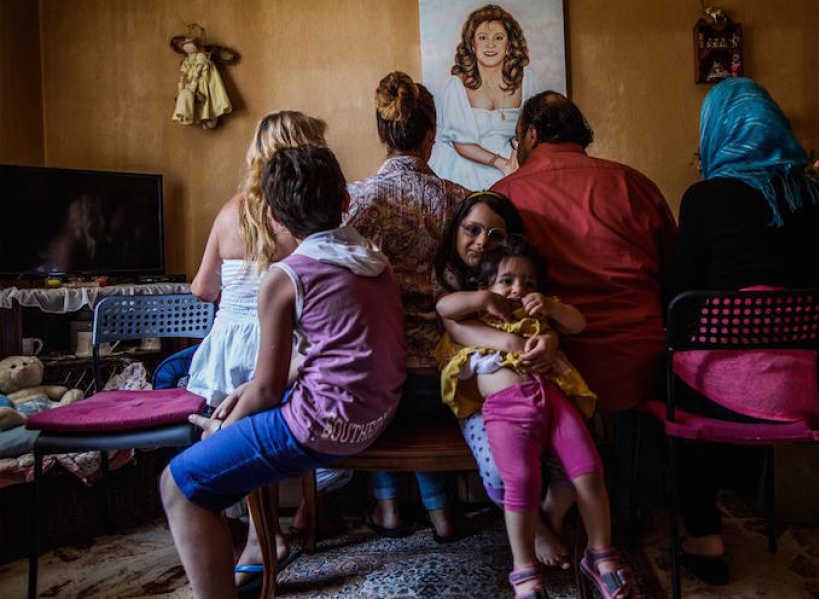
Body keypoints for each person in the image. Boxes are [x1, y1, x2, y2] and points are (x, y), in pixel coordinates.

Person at [160, 144, 406, 599]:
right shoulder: (375, 260)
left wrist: (220, 429)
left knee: (179, 484)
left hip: (323, 427)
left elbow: (267, 390)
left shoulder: (286, 276)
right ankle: (259, 544)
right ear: (345, 201)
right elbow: (333, 354)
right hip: (375, 416)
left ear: (273, 216)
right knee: (242, 402)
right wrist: (248, 394)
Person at [673, 77, 819, 585]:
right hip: (805, 389)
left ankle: (703, 532)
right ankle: (748, 486)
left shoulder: (704, 198)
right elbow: (812, 284)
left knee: (672, 360)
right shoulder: (814, 199)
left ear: (718, 131)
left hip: (720, 392)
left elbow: (680, 297)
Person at [494, 91, 677, 534]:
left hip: (556, 360)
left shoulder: (505, 195)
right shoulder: (634, 183)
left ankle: (552, 501)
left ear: (531, 134)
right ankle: (632, 500)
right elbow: (673, 270)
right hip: (639, 357)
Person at [186, 110, 344, 590]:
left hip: (229, 348)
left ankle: (260, 532)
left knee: (239, 430)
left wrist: (234, 293)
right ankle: (267, 533)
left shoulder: (228, 212)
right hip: (280, 344)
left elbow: (200, 288)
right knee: (271, 422)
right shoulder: (299, 216)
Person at [436, 234, 636, 598]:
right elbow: (445, 308)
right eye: (507, 281)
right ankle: (524, 571)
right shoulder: (477, 316)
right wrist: (484, 298)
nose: (518, 290)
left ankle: (601, 556)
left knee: (590, 469)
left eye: (528, 282)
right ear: (485, 285)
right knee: (521, 481)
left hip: (552, 399)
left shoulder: (538, 315)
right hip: (506, 408)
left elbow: (577, 323)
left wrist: (549, 306)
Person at [343, 71, 468, 541]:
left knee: (382, 383)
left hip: (380, 376)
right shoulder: (459, 203)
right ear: (431, 134)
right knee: (418, 406)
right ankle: (442, 513)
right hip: (446, 374)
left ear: (380, 132)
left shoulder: (356, 202)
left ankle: (389, 507)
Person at [433, 191, 576, 568]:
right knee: (502, 467)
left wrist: (549, 339)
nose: (482, 242)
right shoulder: (450, 283)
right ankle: (539, 532)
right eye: (473, 230)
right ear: (457, 230)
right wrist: (512, 341)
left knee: (571, 458)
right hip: (482, 399)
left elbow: (552, 322)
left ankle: (550, 515)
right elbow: (456, 325)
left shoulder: (519, 281)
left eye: (495, 235)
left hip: (536, 390)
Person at [430, 4, 544, 191]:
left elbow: (534, 130)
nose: (490, 45)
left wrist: (515, 159)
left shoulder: (527, 79)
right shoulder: (456, 85)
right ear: (473, 45)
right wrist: (501, 164)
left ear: (508, 45)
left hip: (516, 164)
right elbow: (461, 144)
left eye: (498, 38)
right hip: (467, 167)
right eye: (483, 38)